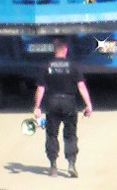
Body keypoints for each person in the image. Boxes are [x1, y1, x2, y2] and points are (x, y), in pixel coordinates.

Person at [33, 37, 93, 178]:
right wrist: (88, 105)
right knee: (70, 135)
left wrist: (37, 107)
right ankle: (71, 164)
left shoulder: (46, 66)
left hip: (52, 103)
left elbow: (40, 88)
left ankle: (53, 166)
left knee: (52, 134)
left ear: (54, 51)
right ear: (66, 50)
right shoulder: (73, 66)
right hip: (69, 103)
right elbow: (81, 87)